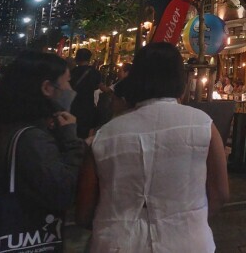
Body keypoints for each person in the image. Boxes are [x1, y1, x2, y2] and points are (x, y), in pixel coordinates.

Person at [76, 43, 229, 251]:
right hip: (189, 242)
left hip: (117, 243)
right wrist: (192, 220)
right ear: (181, 80)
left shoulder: (105, 134)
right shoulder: (203, 124)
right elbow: (220, 193)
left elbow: (83, 211)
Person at [0, 51, 83, 247]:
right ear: (47, 87)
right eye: (67, 81)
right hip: (25, 236)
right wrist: (71, 141)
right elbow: (63, 192)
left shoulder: (11, 125)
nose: (70, 89)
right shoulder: (32, 138)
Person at [69, 49, 102, 139]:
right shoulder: (95, 72)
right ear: (89, 59)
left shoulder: (72, 72)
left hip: (73, 105)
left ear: (76, 58)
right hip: (88, 106)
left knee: (72, 132)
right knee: (84, 133)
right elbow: (99, 87)